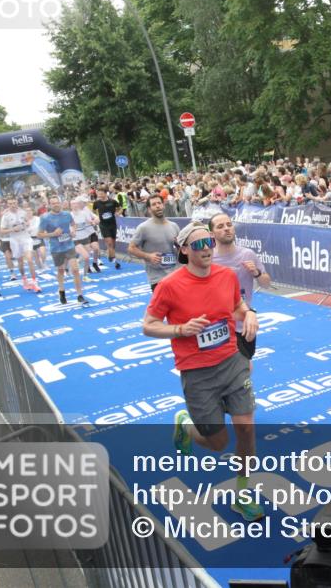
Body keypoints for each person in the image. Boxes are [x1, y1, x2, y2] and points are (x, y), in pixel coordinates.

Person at [142, 222, 263, 523]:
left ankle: (243, 492)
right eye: (198, 244)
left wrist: (249, 315)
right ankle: (185, 425)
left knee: (246, 429)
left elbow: (236, 306)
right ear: (184, 250)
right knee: (218, 443)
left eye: (208, 241)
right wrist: (180, 329)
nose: (207, 247)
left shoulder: (226, 275)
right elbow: (148, 324)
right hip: (197, 373)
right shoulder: (169, 285)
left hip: (232, 362)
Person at [209, 212, 271, 362]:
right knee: (229, 370)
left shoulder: (247, 254)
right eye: (220, 226)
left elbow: (266, 284)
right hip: (218, 326)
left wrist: (256, 273)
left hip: (244, 324)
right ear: (212, 233)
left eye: (229, 225)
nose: (226, 229)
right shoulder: (208, 258)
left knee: (245, 365)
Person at [37, 195, 86, 306]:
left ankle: (80, 295)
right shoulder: (45, 218)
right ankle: (62, 291)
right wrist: (53, 234)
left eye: (57, 202)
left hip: (69, 245)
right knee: (61, 270)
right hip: (56, 248)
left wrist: (73, 231)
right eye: (53, 203)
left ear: (60, 203)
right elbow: (39, 234)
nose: (56, 204)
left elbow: (73, 225)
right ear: (49, 205)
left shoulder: (67, 214)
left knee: (75, 269)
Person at [128, 194, 180, 292]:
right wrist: (148, 256)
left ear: (163, 205)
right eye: (154, 204)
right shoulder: (143, 228)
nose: (157, 206)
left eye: (159, 203)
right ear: (149, 209)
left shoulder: (174, 226)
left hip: (175, 275)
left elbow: (181, 250)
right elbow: (131, 248)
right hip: (157, 279)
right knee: (164, 307)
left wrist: (179, 246)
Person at [0, 197, 39, 292]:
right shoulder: (6, 216)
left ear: (17, 203)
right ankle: (24, 279)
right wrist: (12, 229)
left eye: (14, 203)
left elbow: (28, 222)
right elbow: (1, 231)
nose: (13, 205)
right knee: (20, 262)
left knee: (29, 259)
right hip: (14, 240)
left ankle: (34, 282)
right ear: (8, 205)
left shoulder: (23, 212)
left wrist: (26, 224)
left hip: (25, 237)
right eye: (10, 203)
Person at [71, 197, 101, 278]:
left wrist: (95, 220)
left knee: (95, 248)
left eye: (85, 202)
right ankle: (84, 267)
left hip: (90, 233)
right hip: (79, 236)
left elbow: (94, 218)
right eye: (83, 202)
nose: (84, 203)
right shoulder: (71, 214)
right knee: (85, 254)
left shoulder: (86, 210)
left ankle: (94, 263)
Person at [93, 185, 122, 269]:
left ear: (106, 193)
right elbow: (94, 211)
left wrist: (118, 213)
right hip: (103, 225)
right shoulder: (96, 203)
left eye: (101, 194)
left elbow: (120, 208)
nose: (100, 196)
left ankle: (111, 255)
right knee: (109, 242)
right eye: (98, 194)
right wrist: (96, 217)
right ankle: (115, 261)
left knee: (113, 243)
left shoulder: (112, 201)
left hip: (112, 224)